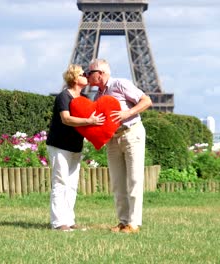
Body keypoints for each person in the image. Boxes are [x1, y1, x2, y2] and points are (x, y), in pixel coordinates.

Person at [86, 58, 152, 234]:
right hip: (113, 139)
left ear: (100, 74)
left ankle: (134, 223)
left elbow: (146, 101)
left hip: (132, 133)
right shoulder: (97, 96)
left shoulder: (121, 84)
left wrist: (127, 113)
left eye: (89, 72)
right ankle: (123, 221)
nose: (86, 75)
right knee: (117, 181)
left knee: (134, 179)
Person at [46, 64, 105, 232]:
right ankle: (58, 222)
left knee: (72, 184)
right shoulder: (63, 97)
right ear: (74, 78)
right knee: (60, 182)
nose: (87, 76)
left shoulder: (85, 98)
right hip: (60, 145)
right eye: (83, 74)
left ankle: (69, 220)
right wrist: (89, 122)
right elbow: (66, 119)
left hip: (75, 146)